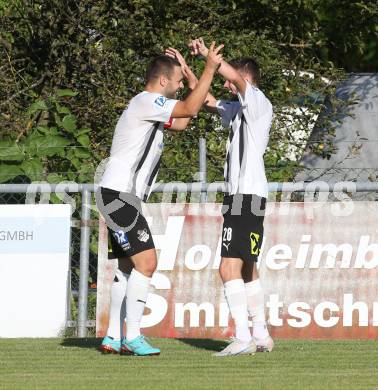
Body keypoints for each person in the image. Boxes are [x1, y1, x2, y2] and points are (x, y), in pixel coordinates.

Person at [96, 42, 224, 356]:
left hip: (121, 195)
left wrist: (192, 73)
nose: (181, 87)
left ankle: (114, 336)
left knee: (128, 268)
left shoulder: (151, 108)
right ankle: (134, 336)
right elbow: (190, 108)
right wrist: (209, 68)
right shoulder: (146, 101)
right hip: (119, 195)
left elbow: (182, 120)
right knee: (148, 263)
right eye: (178, 81)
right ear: (163, 81)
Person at [189, 38, 274, 356]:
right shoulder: (240, 110)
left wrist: (211, 60)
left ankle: (242, 337)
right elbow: (208, 102)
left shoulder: (258, 102)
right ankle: (261, 335)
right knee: (248, 267)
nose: (226, 83)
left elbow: (234, 79)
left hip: (246, 197)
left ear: (246, 79)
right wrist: (190, 69)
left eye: (231, 78)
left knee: (227, 269)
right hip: (244, 198)